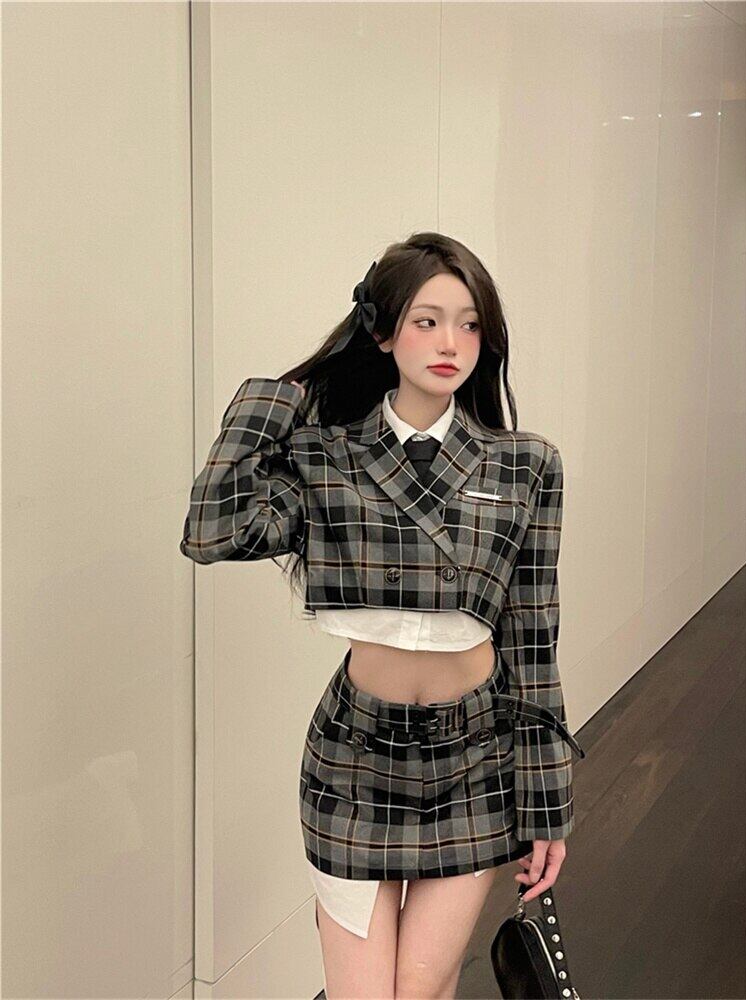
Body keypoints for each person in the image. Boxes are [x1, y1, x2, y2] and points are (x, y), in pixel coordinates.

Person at [179, 231, 584, 1000]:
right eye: (427, 320)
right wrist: (282, 393)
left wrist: (547, 805)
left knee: (423, 986)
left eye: (470, 323)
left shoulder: (526, 463)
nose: (451, 343)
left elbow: (534, 637)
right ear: (383, 331)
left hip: (476, 758)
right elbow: (211, 532)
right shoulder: (326, 457)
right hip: (353, 759)